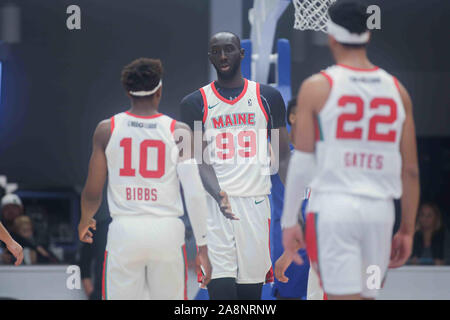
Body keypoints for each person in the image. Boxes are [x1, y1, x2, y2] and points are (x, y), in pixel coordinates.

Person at [281, 0, 420, 300]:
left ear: (331, 37)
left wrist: (289, 220)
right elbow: (410, 170)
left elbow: (302, 163)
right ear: (368, 36)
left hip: (334, 212)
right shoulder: (398, 90)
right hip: (379, 214)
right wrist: (407, 229)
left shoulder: (317, 87)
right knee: (366, 296)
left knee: (337, 296)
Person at [78, 57, 214, 300]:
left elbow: (92, 191)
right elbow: (194, 192)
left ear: (127, 92)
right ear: (159, 91)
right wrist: (203, 245)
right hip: (166, 231)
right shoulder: (178, 131)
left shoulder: (106, 129)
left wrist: (85, 219)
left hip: (124, 230)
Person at [180, 31, 291, 300]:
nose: (222, 56)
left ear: (241, 54)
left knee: (249, 296)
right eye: (216, 51)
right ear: (210, 58)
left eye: (228, 49)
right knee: (222, 292)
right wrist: (218, 195)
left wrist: (294, 205)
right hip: (215, 207)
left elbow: (283, 157)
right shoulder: (194, 103)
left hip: (254, 205)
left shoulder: (269, 97)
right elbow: (197, 159)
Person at [272, 99, 325, 300]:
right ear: (293, 117)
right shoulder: (276, 155)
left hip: (318, 239)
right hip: (287, 240)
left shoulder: (325, 155)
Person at [0, 194, 23, 265]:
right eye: (7, 208)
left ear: (21, 209)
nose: (11, 211)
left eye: (14, 208)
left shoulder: (29, 226)